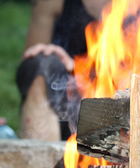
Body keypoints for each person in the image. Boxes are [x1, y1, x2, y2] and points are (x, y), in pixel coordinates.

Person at [16, 0, 110, 140]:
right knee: (42, 65)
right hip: (68, 100)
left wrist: (82, 69)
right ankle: (40, 157)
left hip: (124, 104)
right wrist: (46, 54)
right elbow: (30, 61)